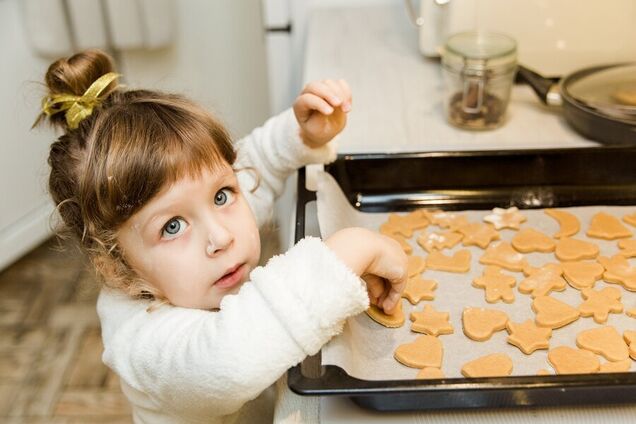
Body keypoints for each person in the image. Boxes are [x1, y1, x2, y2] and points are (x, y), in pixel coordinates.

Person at [35, 49, 407, 423]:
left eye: (221, 196)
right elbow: (230, 361)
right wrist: (350, 251)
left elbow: (254, 162)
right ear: (116, 268)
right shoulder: (142, 345)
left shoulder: (208, 236)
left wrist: (302, 136)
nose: (221, 237)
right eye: (172, 227)